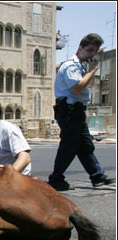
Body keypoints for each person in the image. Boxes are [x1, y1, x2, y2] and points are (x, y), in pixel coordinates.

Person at [48, 33, 115, 191]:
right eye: (90, 50)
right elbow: (77, 88)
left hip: (76, 111)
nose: (92, 54)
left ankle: (97, 176)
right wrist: (91, 71)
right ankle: (56, 178)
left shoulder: (80, 65)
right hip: (70, 111)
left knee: (85, 145)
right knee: (68, 146)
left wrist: (88, 70)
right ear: (80, 48)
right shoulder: (72, 65)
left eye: (95, 51)